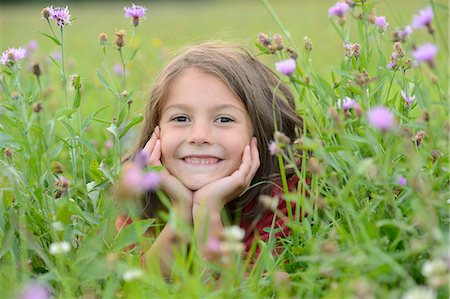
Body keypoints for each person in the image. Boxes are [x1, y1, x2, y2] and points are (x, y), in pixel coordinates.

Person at [117, 42, 305, 278]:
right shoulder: (140, 201)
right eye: (181, 118)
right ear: (156, 133)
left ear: (259, 130)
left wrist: (207, 209)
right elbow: (140, 287)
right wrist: (181, 210)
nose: (199, 136)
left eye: (224, 119)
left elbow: (232, 292)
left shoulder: (285, 199)